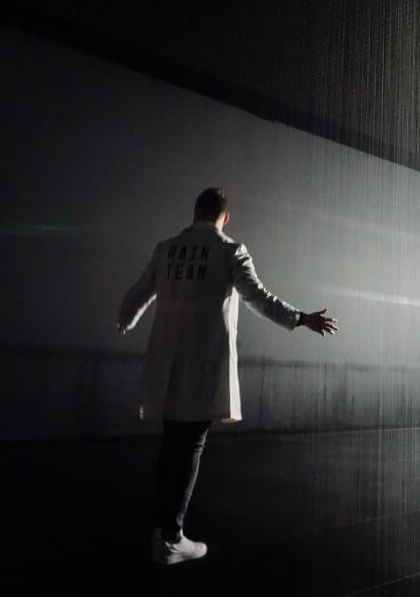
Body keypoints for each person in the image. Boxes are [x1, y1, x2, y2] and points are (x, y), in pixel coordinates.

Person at [117, 187, 338, 566]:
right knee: (191, 445)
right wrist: (301, 318)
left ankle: (162, 528)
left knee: (172, 444)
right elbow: (257, 297)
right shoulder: (230, 251)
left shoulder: (166, 248)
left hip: (165, 362)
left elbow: (140, 292)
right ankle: (171, 539)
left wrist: (126, 318)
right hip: (202, 364)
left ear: (195, 213)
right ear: (226, 217)